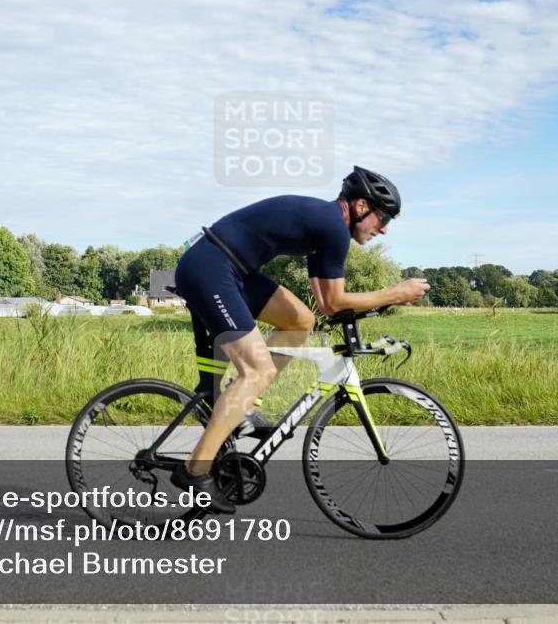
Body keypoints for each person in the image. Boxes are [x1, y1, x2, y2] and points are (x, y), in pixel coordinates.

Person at [171, 166, 430, 513]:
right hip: (210, 269)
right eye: (382, 218)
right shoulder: (332, 227)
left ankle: (242, 403)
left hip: (231, 268)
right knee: (257, 371)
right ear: (360, 206)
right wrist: (395, 293)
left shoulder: (327, 226)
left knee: (300, 320)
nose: (383, 229)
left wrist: (376, 305)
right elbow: (335, 302)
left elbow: (324, 305)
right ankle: (195, 470)